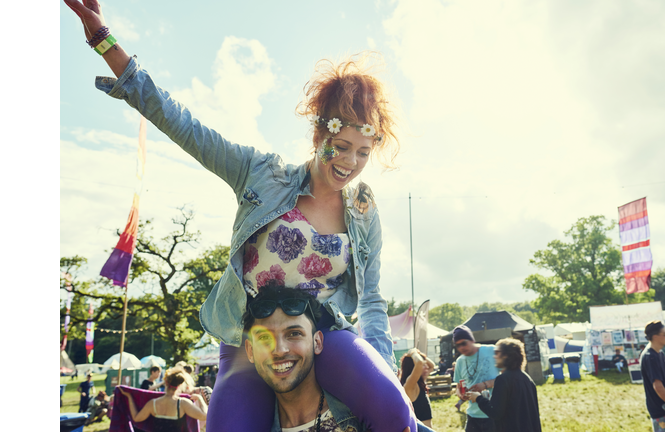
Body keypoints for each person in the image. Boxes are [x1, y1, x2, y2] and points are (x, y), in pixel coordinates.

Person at [62, 2, 414, 431]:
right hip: (253, 339)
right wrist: (105, 43)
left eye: (363, 153)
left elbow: (373, 300)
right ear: (320, 133)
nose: (350, 163)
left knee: (396, 411)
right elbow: (183, 125)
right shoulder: (261, 173)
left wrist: (382, 362)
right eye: (340, 146)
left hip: (321, 337)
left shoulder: (362, 210)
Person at [241, 285, 429, 432]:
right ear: (250, 351)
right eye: (264, 338)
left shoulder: (369, 416)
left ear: (317, 342)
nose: (279, 350)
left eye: (294, 334)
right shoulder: (246, 425)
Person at [466, 338, 542, 432]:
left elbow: (495, 413)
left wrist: (478, 398)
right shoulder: (528, 380)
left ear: (506, 355)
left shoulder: (503, 380)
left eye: (497, 353)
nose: (494, 356)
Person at [119, 366, 208, 432]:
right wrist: (200, 399)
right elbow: (205, 416)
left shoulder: (153, 403)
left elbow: (136, 418)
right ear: (180, 385)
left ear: (165, 382)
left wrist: (129, 397)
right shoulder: (183, 404)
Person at [453, 325, 502, 432]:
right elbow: (458, 386)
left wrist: (486, 384)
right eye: (457, 345)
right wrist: (460, 394)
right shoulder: (460, 361)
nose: (461, 347)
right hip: (473, 415)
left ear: (472, 340)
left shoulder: (492, 350)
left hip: (494, 413)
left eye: (463, 343)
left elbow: (508, 378)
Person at [400, 349, 435, 428]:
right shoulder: (410, 384)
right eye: (423, 365)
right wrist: (413, 353)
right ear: (412, 367)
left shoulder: (420, 382)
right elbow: (419, 363)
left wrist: (419, 354)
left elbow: (432, 365)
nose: (426, 367)